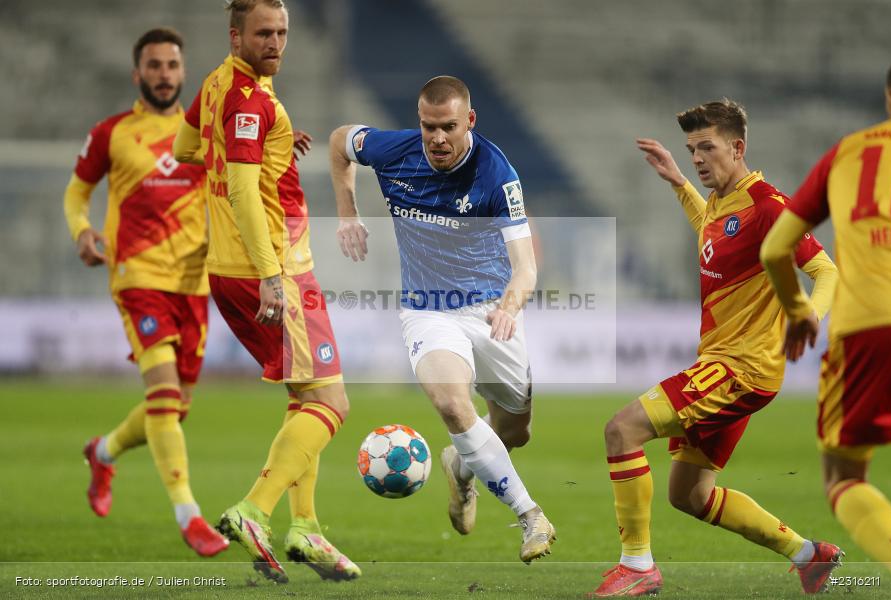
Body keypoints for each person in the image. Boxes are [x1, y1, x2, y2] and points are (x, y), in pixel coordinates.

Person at [589, 99, 842, 597]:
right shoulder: (723, 204)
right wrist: (679, 182)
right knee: (689, 495)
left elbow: (826, 270)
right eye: (692, 149)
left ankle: (637, 567)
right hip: (726, 366)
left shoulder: (770, 206)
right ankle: (809, 556)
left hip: (739, 370)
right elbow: (714, 230)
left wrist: (811, 314)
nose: (699, 157)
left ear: (738, 147)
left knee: (622, 431)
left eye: (707, 148)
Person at [328, 75, 555, 564]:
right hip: (427, 309)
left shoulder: (498, 173)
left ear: (468, 120)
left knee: (514, 432)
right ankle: (530, 514)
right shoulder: (393, 151)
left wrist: (510, 307)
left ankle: (461, 465)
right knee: (453, 406)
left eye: (448, 126)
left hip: (491, 311)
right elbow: (339, 141)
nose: (438, 139)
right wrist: (347, 212)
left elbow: (526, 267)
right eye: (429, 127)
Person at [172, 0, 359, 584]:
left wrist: (263, 152)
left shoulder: (217, 85)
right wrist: (272, 274)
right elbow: (244, 193)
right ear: (235, 35)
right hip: (273, 267)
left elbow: (185, 150)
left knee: (305, 398)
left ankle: (306, 528)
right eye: (263, 33)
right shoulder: (250, 99)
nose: (275, 42)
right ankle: (256, 509)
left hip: (231, 268)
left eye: (282, 31)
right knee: (332, 404)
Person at [63, 27, 228, 557]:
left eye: (171, 65)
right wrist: (82, 231)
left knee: (173, 408)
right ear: (138, 74)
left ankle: (104, 451)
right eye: (153, 66)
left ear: (182, 72)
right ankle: (190, 515)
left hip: (194, 282)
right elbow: (77, 191)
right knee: (161, 396)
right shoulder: (112, 132)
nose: (163, 74)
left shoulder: (204, 133)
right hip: (138, 278)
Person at [761, 61, 891, 580]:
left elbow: (777, 247)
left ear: (890, 98)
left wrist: (798, 311)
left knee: (844, 474)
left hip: (872, 326)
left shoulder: (849, 153)